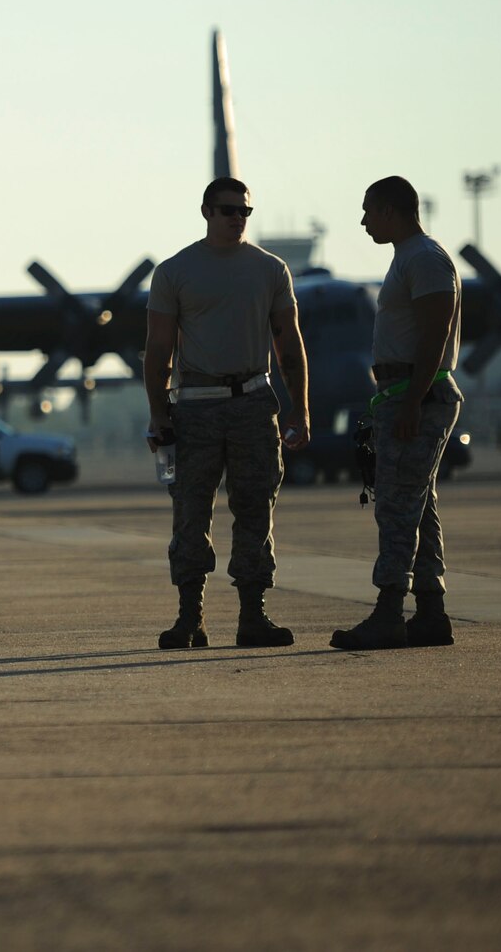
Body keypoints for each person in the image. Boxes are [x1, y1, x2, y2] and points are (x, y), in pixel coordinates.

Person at [144, 177, 310, 649]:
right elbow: (157, 353)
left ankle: (252, 615)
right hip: (195, 407)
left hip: (253, 404)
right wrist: (159, 414)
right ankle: (189, 618)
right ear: (205, 212)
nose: (238, 217)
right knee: (190, 511)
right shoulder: (174, 272)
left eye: (245, 211)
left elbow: (289, 346)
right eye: (228, 209)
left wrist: (301, 410)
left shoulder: (271, 270)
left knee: (256, 507)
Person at [331, 176, 463, 650]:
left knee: (395, 506)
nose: (364, 221)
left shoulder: (424, 259)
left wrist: (412, 400)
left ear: (391, 210)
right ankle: (430, 612)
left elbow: (434, 333)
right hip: (403, 394)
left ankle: (389, 612)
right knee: (417, 505)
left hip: (416, 396)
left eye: (369, 210)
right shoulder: (408, 259)